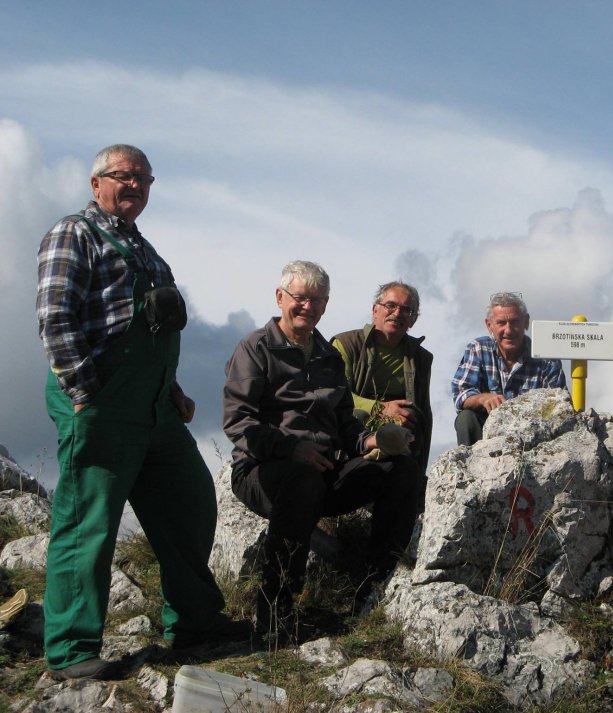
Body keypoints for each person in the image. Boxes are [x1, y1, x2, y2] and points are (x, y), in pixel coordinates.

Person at [37, 144, 245, 680]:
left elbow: (152, 329)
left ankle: (194, 620)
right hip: (102, 404)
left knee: (190, 502)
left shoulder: (147, 251)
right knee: (88, 523)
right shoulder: (74, 233)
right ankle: (71, 650)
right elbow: (55, 316)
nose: (135, 186)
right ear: (96, 183)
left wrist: (171, 389)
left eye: (144, 179)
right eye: (123, 176)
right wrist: (85, 393)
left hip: (154, 407)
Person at [223, 261, 424, 644]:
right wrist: (291, 448)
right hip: (262, 472)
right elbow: (238, 422)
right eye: (300, 298)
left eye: (317, 300)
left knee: (402, 471)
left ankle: (373, 587)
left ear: (326, 305)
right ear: (280, 297)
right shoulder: (256, 348)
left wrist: (373, 441)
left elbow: (345, 423)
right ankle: (276, 614)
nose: (308, 307)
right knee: (303, 480)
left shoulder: (328, 356)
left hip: (324, 470)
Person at [332, 281, 432, 471]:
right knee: (359, 414)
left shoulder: (420, 357)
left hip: (399, 429)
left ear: (413, 320)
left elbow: (424, 409)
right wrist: (380, 409)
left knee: (413, 415)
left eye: (406, 310)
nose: (397, 313)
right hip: (353, 427)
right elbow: (336, 395)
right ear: (375, 310)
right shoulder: (345, 344)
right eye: (390, 305)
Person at [451, 292, 566, 446]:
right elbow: (460, 394)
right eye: (501, 323)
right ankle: (469, 460)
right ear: (489, 325)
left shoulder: (546, 360)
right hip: (486, 435)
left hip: (534, 438)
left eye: (514, 322)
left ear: (526, 322)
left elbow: (560, 407)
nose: (509, 330)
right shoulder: (478, 349)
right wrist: (483, 398)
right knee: (465, 418)